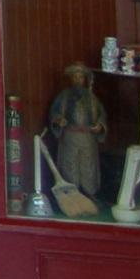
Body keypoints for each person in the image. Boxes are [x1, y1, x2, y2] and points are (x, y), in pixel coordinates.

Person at [47, 61, 107, 196]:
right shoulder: (63, 97)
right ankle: (72, 195)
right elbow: (54, 114)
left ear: (84, 79)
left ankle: (90, 195)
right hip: (70, 137)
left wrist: (100, 126)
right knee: (70, 166)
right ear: (71, 78)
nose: (78, 80)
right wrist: (58, 120)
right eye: (75, 77)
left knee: (88, 166)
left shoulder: (92, 99)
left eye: (80, 77)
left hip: (87, 138)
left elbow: (101, 116)